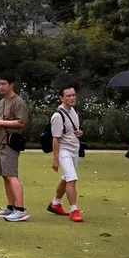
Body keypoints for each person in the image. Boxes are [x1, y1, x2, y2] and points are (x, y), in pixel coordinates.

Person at [0, 75, 29, 223]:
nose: (0, 87)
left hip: (10, 143)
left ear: (11, 85)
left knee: (12, 175)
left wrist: (0, 122)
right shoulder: (1, 102)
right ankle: (11, 207)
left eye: (3, 84)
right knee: (5, 176)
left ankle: (21, 210)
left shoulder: (18, 102)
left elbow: (21, 122)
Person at [48, 85, 84, 223]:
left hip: (74, 149)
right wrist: (55, 159)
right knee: (71, 178)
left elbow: (72, 131)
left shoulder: (74, 111)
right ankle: (74, 209)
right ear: (61, 98)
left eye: (73, 95)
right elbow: (55, 139)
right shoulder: (57, 116)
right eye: (68, 96)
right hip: (64, 151)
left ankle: (55, 203)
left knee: (66, 177)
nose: (72, 98)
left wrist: (80, 133)